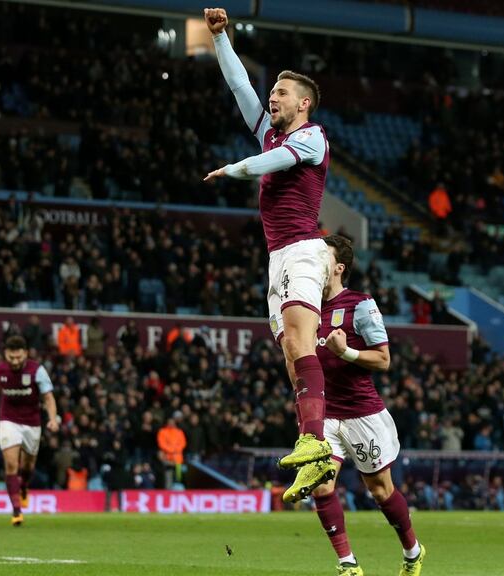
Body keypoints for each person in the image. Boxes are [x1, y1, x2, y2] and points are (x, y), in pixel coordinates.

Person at [204, 7, 335, 498]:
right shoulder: (274, 132)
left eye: (280, 93)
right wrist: (221, 40)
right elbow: (240, 89)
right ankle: (314, 448)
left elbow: (274, 161)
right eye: (273, 93)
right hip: (277, 258)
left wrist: (234, 168)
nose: (271, 99)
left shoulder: (312, 138)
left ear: (304, 104)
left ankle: (315, 441)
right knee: (290, 353)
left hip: (303, 249)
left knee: (301, 341)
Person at [308, 235, 425, 576]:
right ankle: (347, 564)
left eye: (322, 257)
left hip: (362, 413)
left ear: (338, 268)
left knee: (380, 490)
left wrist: (345, 352)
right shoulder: (308, 308)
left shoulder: (360, 304)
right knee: (322, 484)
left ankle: (412, 551)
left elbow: (384, 359)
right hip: (325, 415)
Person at [0, 335, 59, 526]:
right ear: (5, 355)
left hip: (32, 423)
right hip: (8, 421)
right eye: (11, 358)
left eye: (19, 357)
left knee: (28, 467)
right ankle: (16, 511)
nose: (15, 361)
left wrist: (52, 419)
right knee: (11, 465)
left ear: (25, 353)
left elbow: (48, 398)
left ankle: (24, 485)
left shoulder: (37, 371)